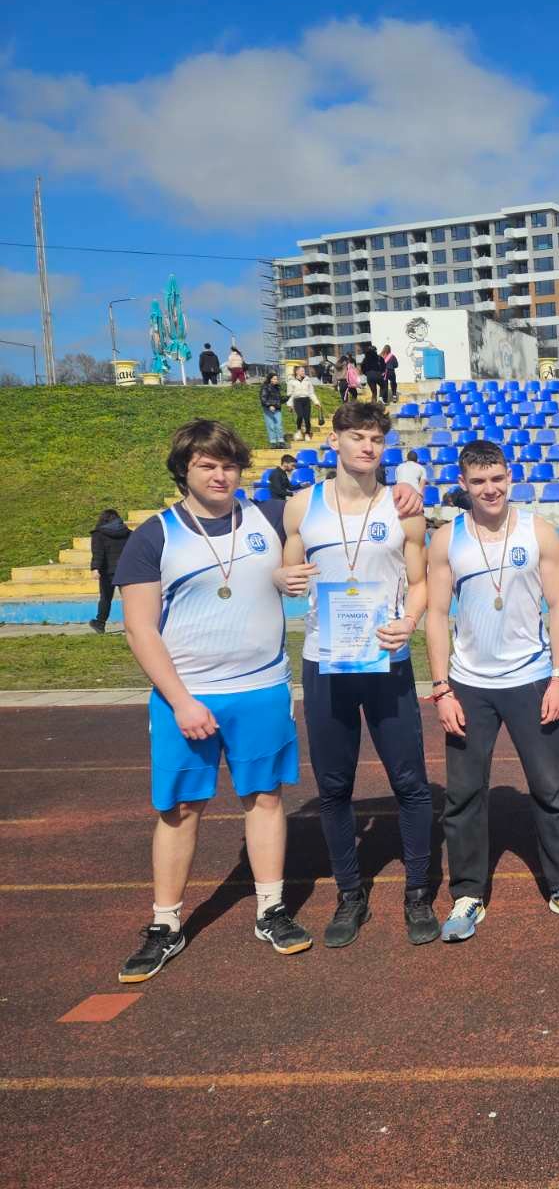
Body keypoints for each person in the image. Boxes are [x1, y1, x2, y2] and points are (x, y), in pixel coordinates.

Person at [112, 420, 311, 982]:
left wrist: (403, 493)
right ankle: (166, 924)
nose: (220, 475)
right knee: (179, 809)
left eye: (228, 465)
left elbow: (338, 501)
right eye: (207, 465)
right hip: (187, 696)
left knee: (265, 798)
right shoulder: (154, 536)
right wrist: (180, 701)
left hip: (261, 688)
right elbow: (140, 630)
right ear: (184, 470)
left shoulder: (269, 516)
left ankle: (271, 909)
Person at [424, 440, 559, 941]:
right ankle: (468, 893)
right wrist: (442, 688)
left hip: (531, 679)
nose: (490, 489)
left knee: (549, 789)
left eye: (497, 478)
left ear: (510, 477)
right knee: (463, 795)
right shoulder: (448, 538)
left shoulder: (537, 530)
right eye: (479, 481)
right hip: (469, 684)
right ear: (463, 484)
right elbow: (436, 613)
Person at [281, 400, 437, 948]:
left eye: (376, 438)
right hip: (326, 659)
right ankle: (350, 894)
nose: (367, 446)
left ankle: (418, 893)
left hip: (386, 658)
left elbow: (420, 582)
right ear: (335, 441)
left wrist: (410, 621)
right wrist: (282, 578)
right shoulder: (301, 506)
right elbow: (287, 572)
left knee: (410, 782)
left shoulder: (404, 507)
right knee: (333, 786)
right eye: (357, 436)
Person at [89, 507, 130, 634]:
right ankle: (134, 624)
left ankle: (100, 623)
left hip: (107, 571)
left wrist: (95, 568)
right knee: (129, 599)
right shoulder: (128, 533)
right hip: (126, 569)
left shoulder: (98, 534)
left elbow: (98, 553)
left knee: (106, 598)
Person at [287, 365, 322, 442]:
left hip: (306, 400)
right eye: (302, 371)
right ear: (297, 372)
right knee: (299, 416)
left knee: (307, 418)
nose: (304, 372)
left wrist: (316, 402)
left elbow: (311, 393)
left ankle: (307, 434)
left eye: (304, 371)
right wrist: (289, 405)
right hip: (297, 400)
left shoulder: (308, 381)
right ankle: (299, 430)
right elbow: (290, 395)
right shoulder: (291, 382)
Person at [259, 371, 286, 448]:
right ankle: (273, 442)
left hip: (277, 408)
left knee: (279, 425)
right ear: (270, 379)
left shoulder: (277, 388)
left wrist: (287, 398)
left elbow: (279, 399)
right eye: (274, 379)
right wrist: (269, 406)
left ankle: (281, 441)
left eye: (276, 379)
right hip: (268, 409)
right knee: (271, 425)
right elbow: (263, 398)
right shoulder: (265, 387)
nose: (276, 380)